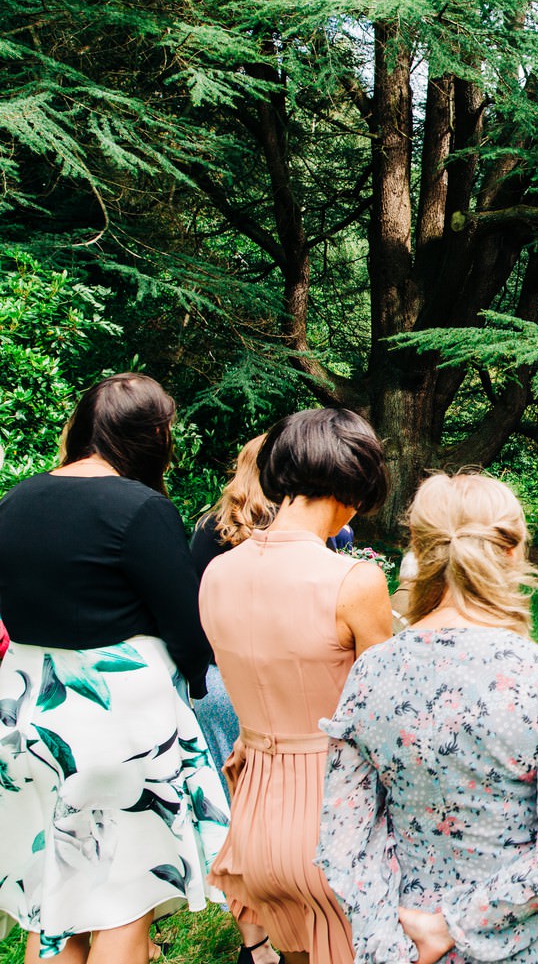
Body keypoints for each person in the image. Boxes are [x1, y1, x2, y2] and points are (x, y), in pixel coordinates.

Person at [316, 472, 538, 964]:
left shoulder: (371, 672)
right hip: (521, 942)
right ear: (511, 553)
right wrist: (456, 925)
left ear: (421, 553)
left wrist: (390, 942)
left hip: (405, 934)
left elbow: (344, 842)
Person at [0, 373, 229, 964]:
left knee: (56, 896)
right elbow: (185, 621)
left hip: (26, 709)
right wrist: (197, 671)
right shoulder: (140, 507)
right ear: (153, 436)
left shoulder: (16, 500)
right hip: (114, 718)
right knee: (125, 893)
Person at [199, 408, 393, 964]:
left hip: (254, 810)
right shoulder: (353, 580)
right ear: (353, 487)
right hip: (335, 812)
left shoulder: (218, 573)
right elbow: (383, 712)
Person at [187, 434, 283, 964]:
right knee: (282, 810)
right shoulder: (298, 534)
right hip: (271, 685)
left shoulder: (207, 529)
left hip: (217, 683)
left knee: (234, 815)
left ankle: (257, 943)